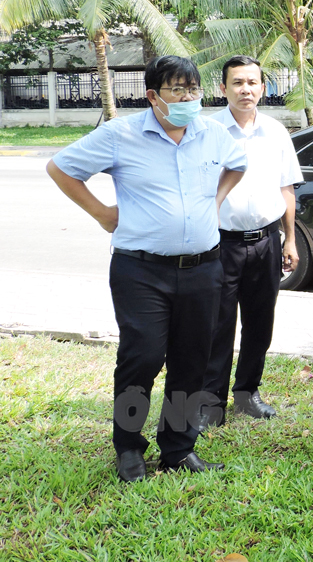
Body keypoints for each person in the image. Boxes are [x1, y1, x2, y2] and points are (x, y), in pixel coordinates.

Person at [45, 55, 247, 482]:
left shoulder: (211, 133)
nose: (190, 99)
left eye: (194, 90)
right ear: (154, 96)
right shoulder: (120, 135)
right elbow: (60, 168)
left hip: (204, 268)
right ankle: (129, 450)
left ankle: (178, 449)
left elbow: (238, 165)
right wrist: (102, 213)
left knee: (192, 363)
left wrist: (214, 202)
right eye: (179, 91)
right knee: (142, 358)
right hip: (141, 271)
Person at [198, 56, 304, 431]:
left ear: (263, 87)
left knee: (260, 323)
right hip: (218, 244)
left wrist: (290, 239)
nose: (246, 89)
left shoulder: (276, 132)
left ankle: (247, 394)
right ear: (223, 88)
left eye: (253, 82)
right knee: (218, 324)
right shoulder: (206, 130)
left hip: (266, 242)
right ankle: (211, 402)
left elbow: (287, 187)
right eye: (237, 83)